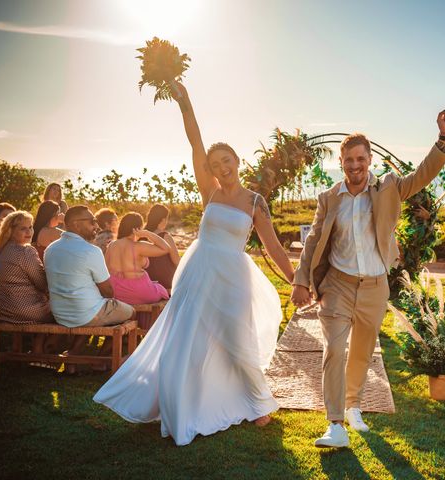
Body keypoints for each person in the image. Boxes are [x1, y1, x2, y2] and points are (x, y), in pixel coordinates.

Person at [94, 80, 295, 446]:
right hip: (199, 270)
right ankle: (183, 405)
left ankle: (257, 402)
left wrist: (296, 279)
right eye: (216, 164)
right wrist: (185, 104)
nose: (222, 167)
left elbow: (276, 248)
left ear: (238, 161)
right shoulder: (210, 191)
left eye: (227, 161)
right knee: (187, 338)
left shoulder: (255, 203)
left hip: (234, 276)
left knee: (236, 338)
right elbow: (195, 141)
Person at [291, 111, 445, 448]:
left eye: (360, 159)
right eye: (348, 160)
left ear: (370, 160)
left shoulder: (389, 187)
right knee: (335, 350)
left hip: (375, 286)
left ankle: (353, 405)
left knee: (362, 353)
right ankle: (335, 424)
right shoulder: (329, 198)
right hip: (337, 284)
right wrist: (301, 280)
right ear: (341, 163)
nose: (355, 165)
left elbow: (423, 175)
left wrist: (443, 140)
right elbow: (313, 242)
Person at [44, 206, 134, 331]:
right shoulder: (91, 251)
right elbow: (108, 292)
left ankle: (76, 348)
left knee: (96, 307)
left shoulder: (50, 249)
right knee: (132, 312)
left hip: (60, 315)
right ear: (76, 224)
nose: (96, 226)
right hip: (86, 315)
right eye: (92, 221)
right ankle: (104, 351)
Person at [0, 211, 53, 353]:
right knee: (66, 311)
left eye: (30, 227)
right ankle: (43, 350)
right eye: (23, 228)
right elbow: (42, 284)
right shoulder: (25, 251)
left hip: (3, 311)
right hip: (26, 312)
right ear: (11, 231)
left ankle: (34, 348)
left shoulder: (2, 250)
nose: (29, 231)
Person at [104, 212, 170, 305]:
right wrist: (147, 234)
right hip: (139, 293)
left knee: (156, 286)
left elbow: (106, 271)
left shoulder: (111, 245)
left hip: (116, 293)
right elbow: (166, 248)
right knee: (160, 289)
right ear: (139, 228)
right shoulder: (138, 246)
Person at [143, 204, 180, 291]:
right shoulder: (165, 236)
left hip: (148, 279)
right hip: (166, 280)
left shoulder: (142, 236)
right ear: (163, 219)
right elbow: (176, 261)